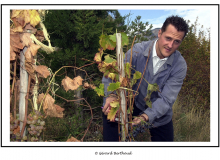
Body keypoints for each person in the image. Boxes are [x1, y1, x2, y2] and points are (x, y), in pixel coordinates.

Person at [102, 15, 189, 142]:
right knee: (111, 122)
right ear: (159, 33)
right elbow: (114, 74)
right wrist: (111, 95)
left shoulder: (180, 65)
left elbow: (166, 99)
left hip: (159, 114)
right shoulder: (137, 51)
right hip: (132, 103)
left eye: (177, 42)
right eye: (168, 38)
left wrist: (145, 116)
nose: (170, 45)